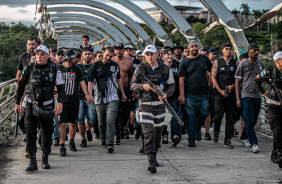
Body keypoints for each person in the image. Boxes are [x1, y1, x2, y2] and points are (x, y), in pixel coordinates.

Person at [15, 45, 65, 172]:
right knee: (30, 132)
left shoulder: (55, 68)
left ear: (48, 56)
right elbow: (20, 85)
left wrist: (60, 103)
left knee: (46, 134)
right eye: (37, 54)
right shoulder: (29, 68)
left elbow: (61, 88)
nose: (39, 56)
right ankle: (32, 161)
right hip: (31, 105)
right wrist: (17, 103)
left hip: (48, 105)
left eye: (42, 54)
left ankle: (44, 158)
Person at [130, 45, 175, 173]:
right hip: (145, 104)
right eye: (147, 54)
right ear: (144, 56)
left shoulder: (165, 69)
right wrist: (143, 86)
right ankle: (151, 160)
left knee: (157, 133)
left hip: (160, 105)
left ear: (157, 54)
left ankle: (154, 154)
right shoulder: (141, 68)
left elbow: (172, 85)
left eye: (152, 54)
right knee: (148, 132)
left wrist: (166, 94)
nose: (149, 56)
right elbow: (133, 85)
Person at [88, 47, 127, 153]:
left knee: (111, 120)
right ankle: (103, 139)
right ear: (103, 54)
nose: (108, 58)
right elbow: (90, 81)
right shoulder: (96, 65)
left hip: (113, 96)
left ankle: (110, 143)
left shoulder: (114, 65)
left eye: (111, 56)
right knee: (101, 121)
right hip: (99, 97)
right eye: (107, 56)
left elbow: (119, 80)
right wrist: (90, 94)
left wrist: (122, 93)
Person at [178, 40, 211, 147]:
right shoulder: (184, 62)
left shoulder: (204, 58)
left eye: (196, 46)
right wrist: (182, 95)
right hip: (189, 95)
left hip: (204, 94)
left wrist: (210, 83)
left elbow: (211, 72)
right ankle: (191, 139)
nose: (195, 48)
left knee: (204, 113)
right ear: (189, 49)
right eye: (192, 47)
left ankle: (197, 129)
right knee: (190, 117)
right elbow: (181, 80)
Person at [235, 43, 265, 153]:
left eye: (257, 50)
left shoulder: (261, 65)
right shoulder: (243, 65)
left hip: (257, 96)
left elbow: (265, 78)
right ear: (249, 52)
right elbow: (237, 82)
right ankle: (254, 143)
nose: (257, 53)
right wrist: (238, 98)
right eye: (254, 51)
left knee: (254, 119)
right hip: (246, 95)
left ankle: (244, 137)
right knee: (248, 119)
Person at [254, 51, 282, 168]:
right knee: (277, 130)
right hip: (273, 106)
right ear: (277, 61)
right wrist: (264, 93)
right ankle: (277, 154)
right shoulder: (269, 72)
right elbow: (256, 81)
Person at [59, 49, 89, 156]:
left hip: (74, 101)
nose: (76, 59)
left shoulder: (77, 70)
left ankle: (71, 141)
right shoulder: (59, 69)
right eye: (74, 57)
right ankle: (62, 145)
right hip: (62, 101)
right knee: (62, 124)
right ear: (68, 58)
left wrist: (87, 94)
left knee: (73, 123)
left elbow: (82, 83)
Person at [211, 43, 238, 149]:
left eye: (230, 49)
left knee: (230, 118)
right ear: (222, 51)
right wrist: (220, 90)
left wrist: (233, 86)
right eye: (226, 49)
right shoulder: (217, 62)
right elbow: (213, 77)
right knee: (218, 115)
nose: (228, 51)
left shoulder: (236, 63)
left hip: (231, 94)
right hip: (219, 93)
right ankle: (216, 131)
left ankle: (227, 140)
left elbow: (239, 78)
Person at [76, 47, 98, 145]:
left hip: (92, 96)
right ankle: (83, 139)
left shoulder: (95, 66)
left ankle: (88, 129)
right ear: (82, 55)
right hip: (79, 96)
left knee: (92, 118)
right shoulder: (78, 67)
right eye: (85, 54)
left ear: (92, 55)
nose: (87, 56)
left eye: (89, 54)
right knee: (80, 119)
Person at [112, 43, 133, 142]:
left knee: (126, 113)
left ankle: (122, 128)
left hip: (125, 88)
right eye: (116, 49)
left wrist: (132, 90)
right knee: (115, 112)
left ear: (123, 50)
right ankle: (117, 134)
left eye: (120, 49)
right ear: (114, 50)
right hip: (114, 90)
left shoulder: (128, 62)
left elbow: (131, 77)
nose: (118, 51)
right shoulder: (111, 61)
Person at [163, 49, 182, 146]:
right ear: (164, 56)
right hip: (162, 94)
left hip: (174, 95)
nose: (170, 57)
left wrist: (180, 93)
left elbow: (181, 81)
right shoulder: (161, 66)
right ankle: (164, 133)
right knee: (163, 115)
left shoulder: (177, 66)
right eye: (168, 55)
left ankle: (174, 135)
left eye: (171, 55)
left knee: (174, 114)